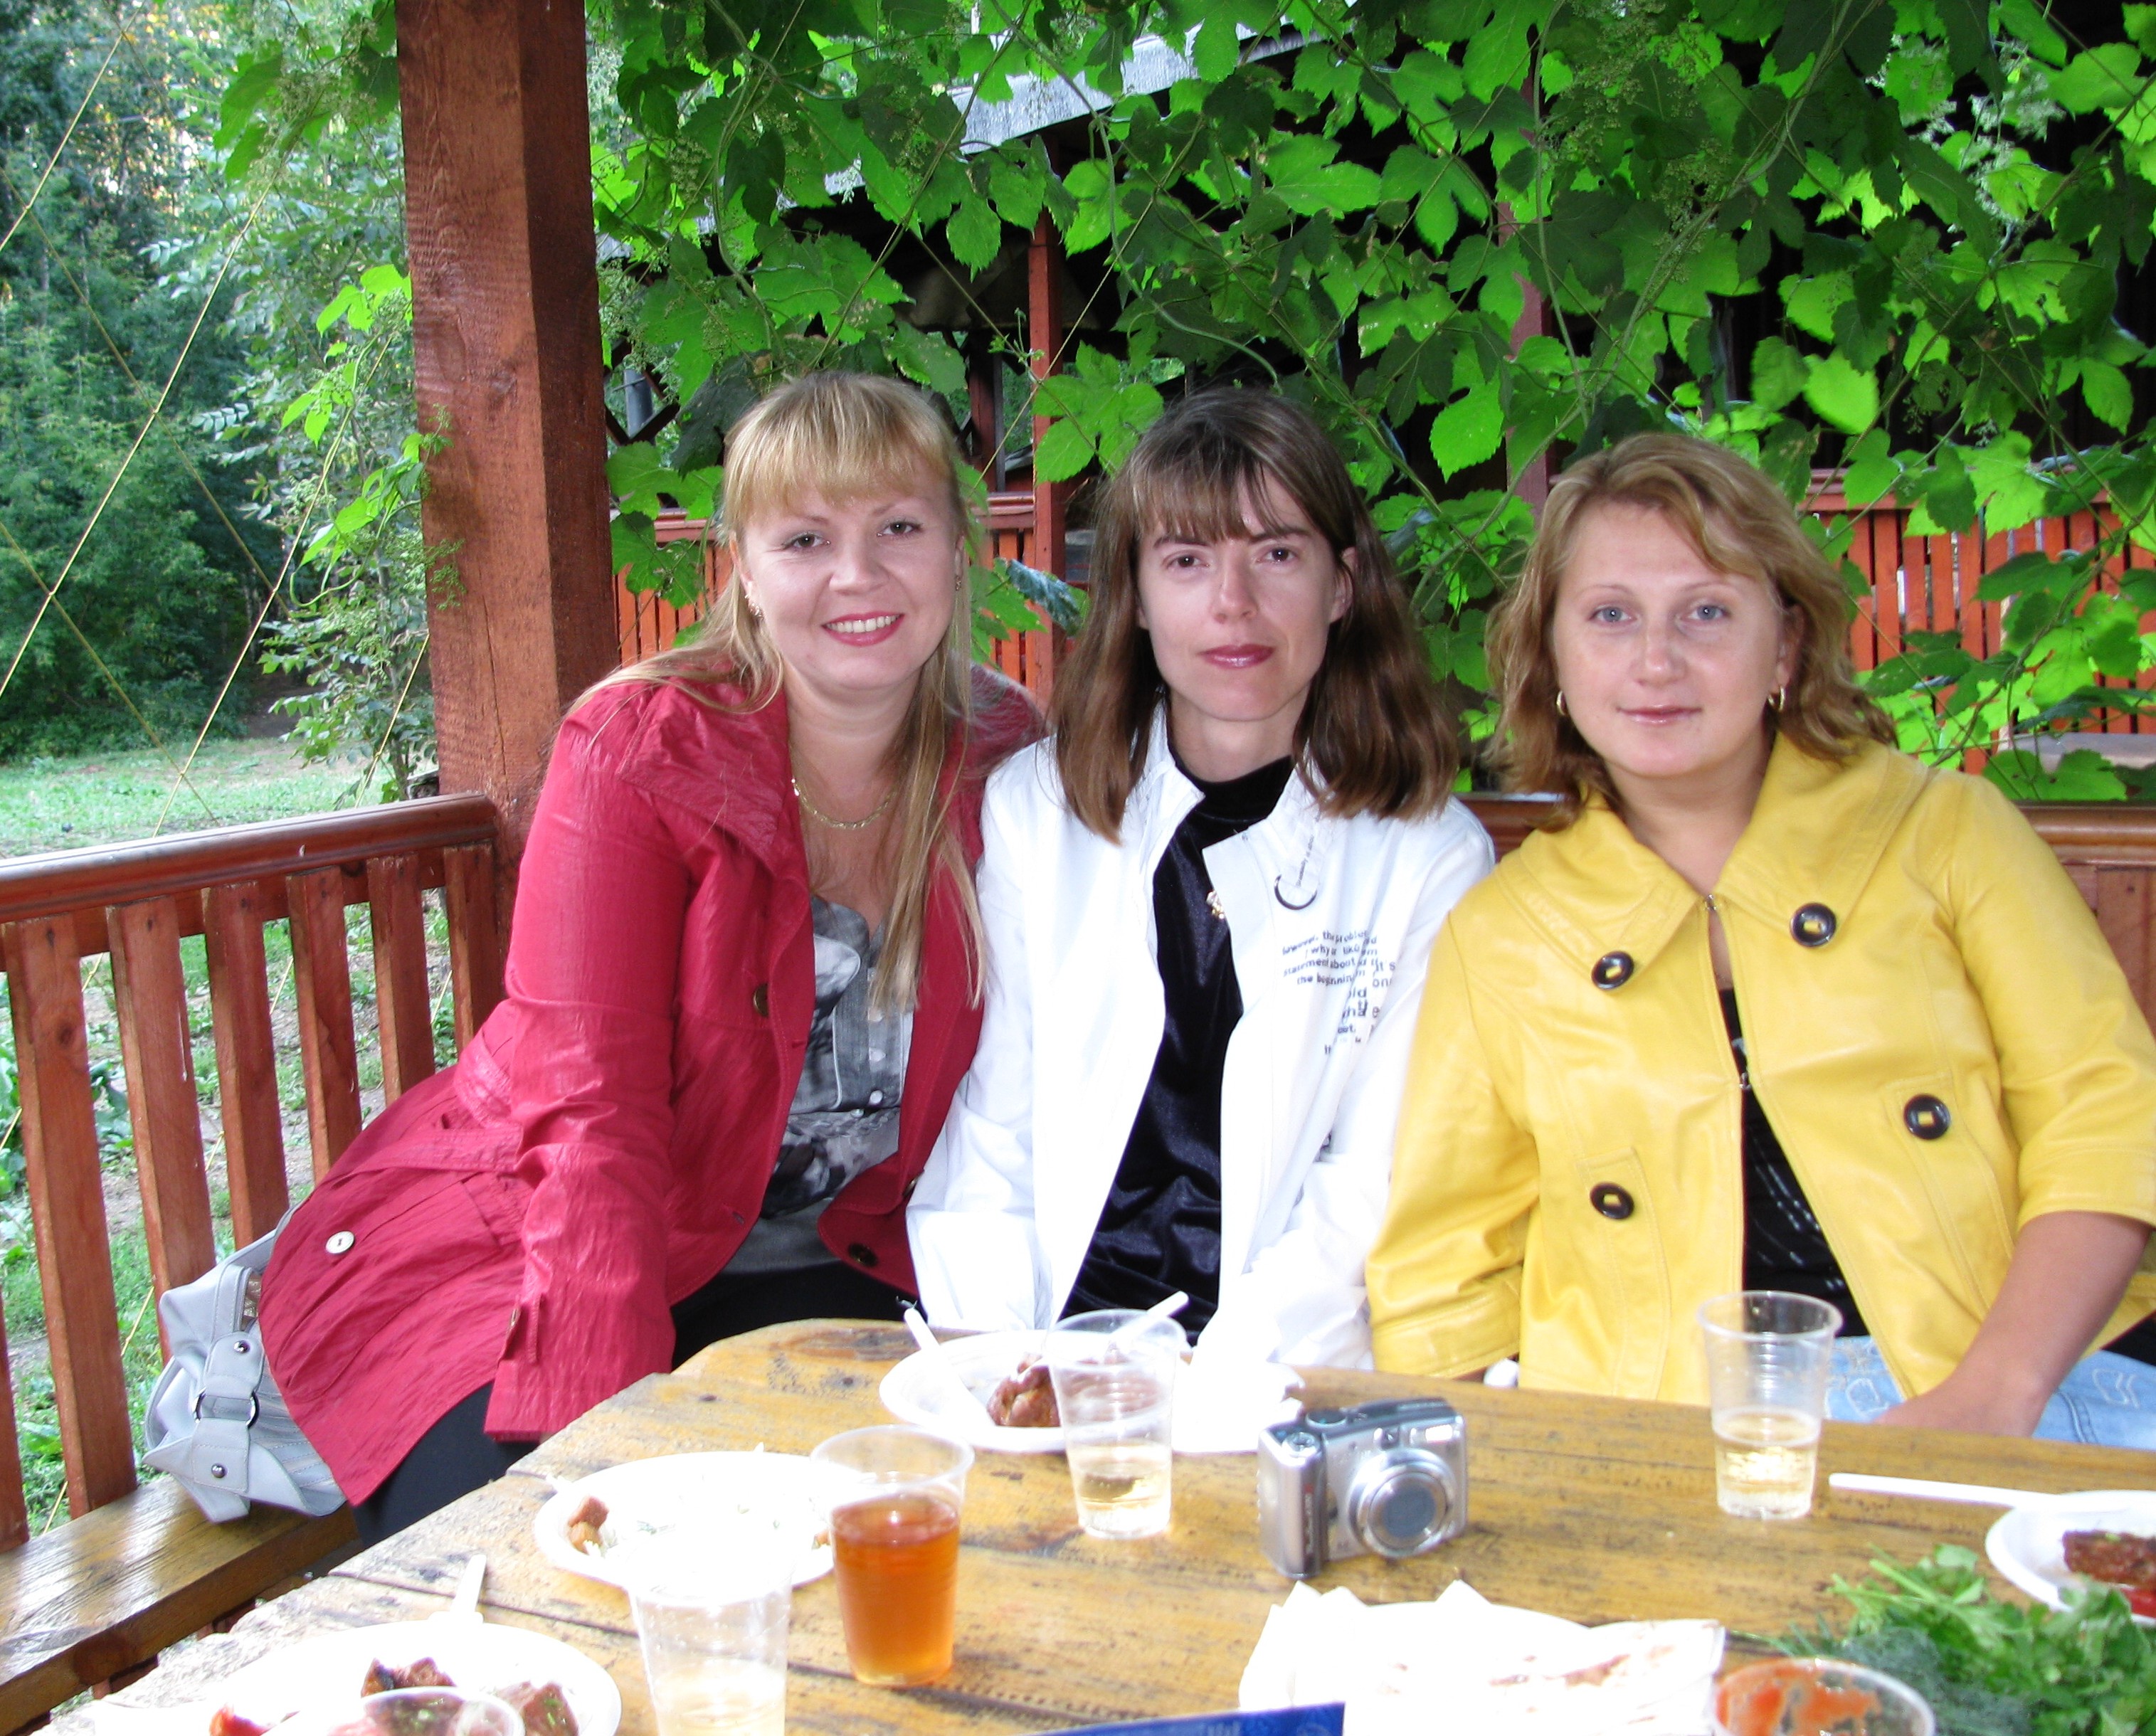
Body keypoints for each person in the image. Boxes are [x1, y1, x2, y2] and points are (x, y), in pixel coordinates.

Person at [260, 373, 1040, 1540]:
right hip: (542, 1240)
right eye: (804, 539)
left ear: (956, 549)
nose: (857, 574)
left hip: (853, 1257)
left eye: (898, 528)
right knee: (526, 1544)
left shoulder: (1006, 754)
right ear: (742, 567)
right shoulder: (638, 748)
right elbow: (592, 1113)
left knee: (949, 1538)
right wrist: (599, 1441)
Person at [1367, 431, 2156, 1444]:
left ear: (1784, 645)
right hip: (1658, 1434)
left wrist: (1995, 1394)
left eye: (1705, 611)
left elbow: (2107, 1125)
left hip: (2008, 1382)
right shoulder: (1503, 932)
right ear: (1551, 654)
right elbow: (1441, 1277)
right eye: (1610, 615)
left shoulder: (1947, 834)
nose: (1656, 660)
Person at [907, 388, 1493, 1368]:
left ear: (1341, 586)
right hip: (1053, 1336)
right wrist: (1006, 1367)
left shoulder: (1427, 856)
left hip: (1279, 1366)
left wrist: (1213, 1383)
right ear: (1135, 597)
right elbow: (998, 1125)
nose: (1233, 604)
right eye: (1186, 561)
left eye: (1277, 554)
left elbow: (1368, 1185)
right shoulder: (1036, 809)